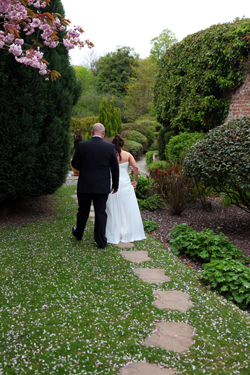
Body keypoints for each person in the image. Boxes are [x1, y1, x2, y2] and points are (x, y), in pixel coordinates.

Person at [71, 123, 119, 249]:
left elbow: (75, 164)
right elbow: (115, 168)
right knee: (100, 212)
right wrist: (115, 185)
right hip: (102, 186)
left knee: (83, 211)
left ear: (92, 132)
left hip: (85, 185)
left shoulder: (82, 145)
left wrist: (86, 169)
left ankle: (79, 233)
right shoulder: (110, 147)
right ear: (103, 133)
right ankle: (101, 241)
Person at [105, 134, 146, 244]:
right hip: (125, 184)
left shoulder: (110, 154)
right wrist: (135, 181)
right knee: (126, 208)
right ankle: (127, 231)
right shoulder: (128, 155)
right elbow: (136, 167)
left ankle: (114, 232)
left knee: (113, 208)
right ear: (122, 146)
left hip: (112, 183)